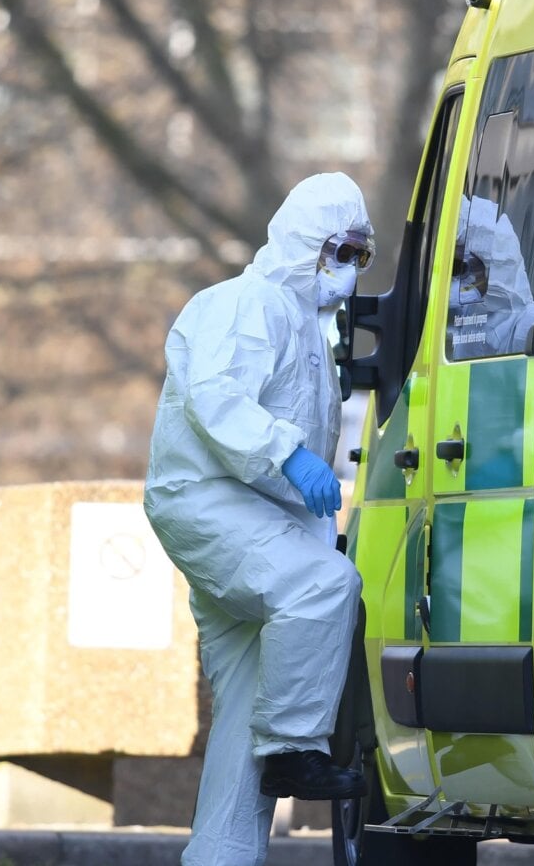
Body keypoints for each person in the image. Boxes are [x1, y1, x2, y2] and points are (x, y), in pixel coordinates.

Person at [144, 172, 375, 866]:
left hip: (245, 514)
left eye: (361, 255)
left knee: (245, 719)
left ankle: (221, 854)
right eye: (342, 249)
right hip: (209, 499)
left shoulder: (304, 326)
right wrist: (290, 455)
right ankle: (295, 750)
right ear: (307, 242)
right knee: (324, 586)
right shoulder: (250, 304)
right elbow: (215, 397)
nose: (350, 268)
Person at [447, 195, 534, 359]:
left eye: (460, 267)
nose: (455, 279)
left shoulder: (531, 324)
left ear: (493, 264)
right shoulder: (468, 319)